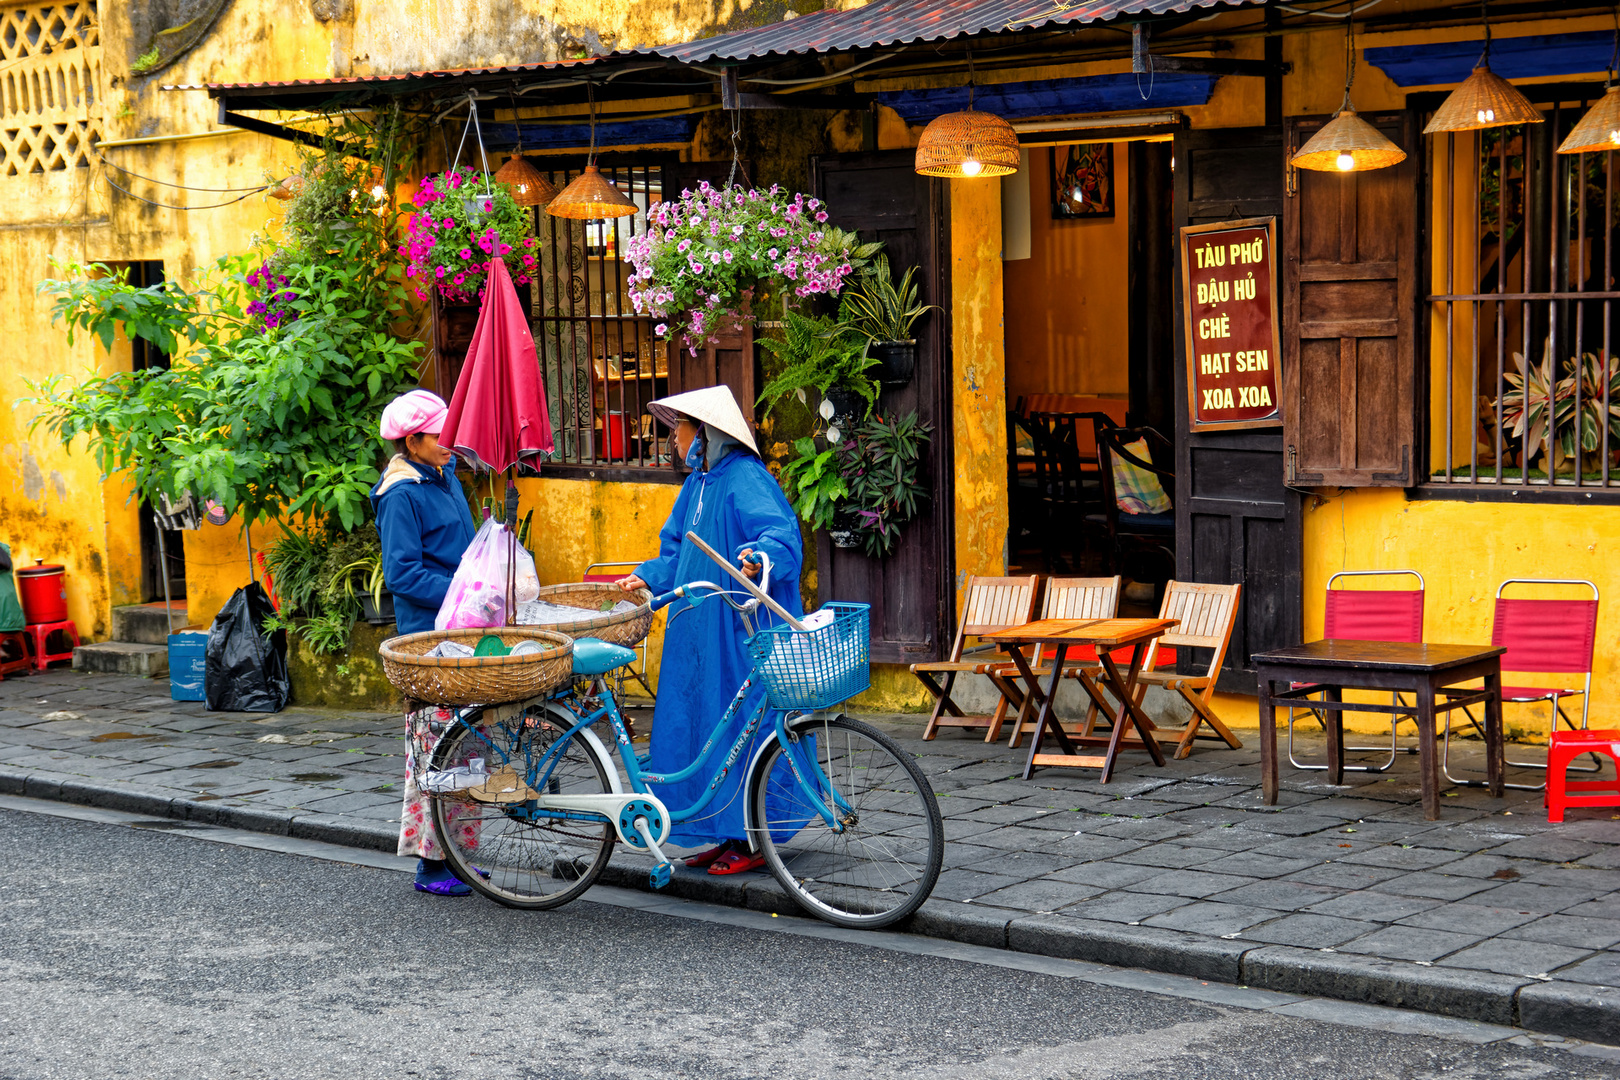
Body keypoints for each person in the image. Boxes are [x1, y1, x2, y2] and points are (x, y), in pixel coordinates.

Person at [617, 386, 804, 875]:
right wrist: (649, 575)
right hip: (696, 629)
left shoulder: (745, 476)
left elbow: (779, 534)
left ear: (704, 433)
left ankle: (753, 836)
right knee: (701, 727)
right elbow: (676, 550)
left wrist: (760, 556)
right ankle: (722, 831)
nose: (673, 438)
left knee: (746, 729)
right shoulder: (696, 485)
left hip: (736, 630)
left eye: (679, 427)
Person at [370, 388, 479, 896]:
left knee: (470, 744)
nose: (451, 443)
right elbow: (403, 574)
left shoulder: (446, 476)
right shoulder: (401, 494)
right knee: (434, 750)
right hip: (428, 638)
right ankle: (431, 864)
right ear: (413, 441)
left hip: (464, 629)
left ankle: (460, 854)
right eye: (441, 436)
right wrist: (465, 592)